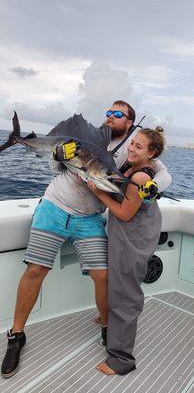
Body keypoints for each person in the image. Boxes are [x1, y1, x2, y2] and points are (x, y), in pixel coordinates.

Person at [1, 100, 171, 378]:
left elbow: (163, 173)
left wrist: (153, 186)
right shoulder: (85, 138)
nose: (110, 117)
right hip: (54, 207)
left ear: (130, 121)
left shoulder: (133, 148)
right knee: (36, 270)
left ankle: (108, 327)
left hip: (89, 218)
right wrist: (57, 154)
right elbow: (58, 169)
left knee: (103, 276)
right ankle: (16, 335)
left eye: (118, 114)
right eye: (108, 112)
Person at [87, 126, 166, 375]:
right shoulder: (132, 167)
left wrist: (97, 192)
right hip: (127, 234)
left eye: (138, 147)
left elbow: (123, 213)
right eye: (132, 143)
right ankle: (111, 322)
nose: (131, 148)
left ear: (151, 153)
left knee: (126, 294)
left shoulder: (141, 176)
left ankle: (122, 360)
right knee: (118, 284)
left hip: (133, 237)